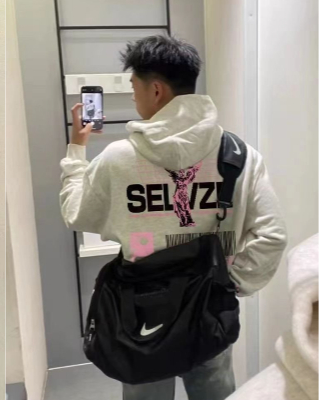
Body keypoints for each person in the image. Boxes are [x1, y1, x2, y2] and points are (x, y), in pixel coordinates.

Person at [59, 35, 287, 400]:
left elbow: (75, 213)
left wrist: (76, 150)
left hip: (140, 314)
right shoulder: (239, 155)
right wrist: (228, 285)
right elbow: (272, 236)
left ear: (156, 90)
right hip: (209, 311)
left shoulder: (117, 159)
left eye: (134, 87)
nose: (133, 97)